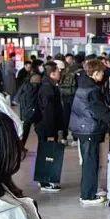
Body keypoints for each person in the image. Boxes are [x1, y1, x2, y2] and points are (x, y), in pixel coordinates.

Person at [69, 59, 110, 206]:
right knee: (90, 163)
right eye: (102, 72)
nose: (103, 75)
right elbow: (99, 110)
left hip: (83, 128)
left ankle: (90, 191)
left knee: (89, 162)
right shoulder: (92, 89)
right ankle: (88, 196)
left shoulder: (84, 84)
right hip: (89, 129)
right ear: (96, 73)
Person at [36, 63, 66, 192]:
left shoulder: (48, 85)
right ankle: (46, 182)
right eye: (58, 71)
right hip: (47, 127)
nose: (60, 73)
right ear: (52, 73)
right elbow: (48, 112)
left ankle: (44, 180)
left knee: (46, 152)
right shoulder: (48, 89)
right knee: (47, 154)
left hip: (46, 126)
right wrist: (50, 132)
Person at [58, 54, 81, 145]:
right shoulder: (76, 69)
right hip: (73, 96)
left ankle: (64, 138)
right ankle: (74, 138)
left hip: (64, 96)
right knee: (73, 117)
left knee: (65, 117)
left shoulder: (62, 70)